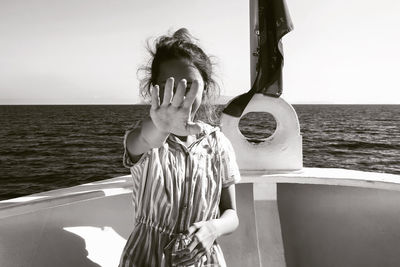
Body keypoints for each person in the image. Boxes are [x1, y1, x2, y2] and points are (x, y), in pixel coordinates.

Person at [119, 28, 241, 267]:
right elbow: (142, 141)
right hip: (146, 258)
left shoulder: (218, 143)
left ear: (205, 89)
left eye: (191, 85)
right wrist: (162, 128)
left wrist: (212, 229)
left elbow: (232, 214)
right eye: (170, 85)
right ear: (154, 89)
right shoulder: (146, 134)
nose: (180, 94)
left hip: (202, 259)